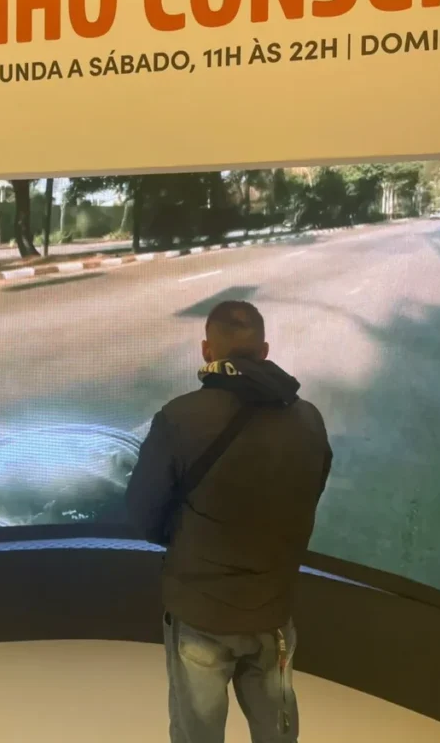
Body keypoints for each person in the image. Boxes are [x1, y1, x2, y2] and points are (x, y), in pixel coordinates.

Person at [126, 300, 332, 743]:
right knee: (277, 733)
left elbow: (143, 513)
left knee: (196, 733)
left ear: (207, 350)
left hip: (198, 611)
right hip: (272, 610)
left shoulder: (179, 418)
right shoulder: (309, 419)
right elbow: (310, 495)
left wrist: (183, 540)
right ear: (264, 351)